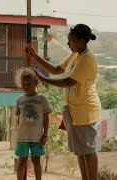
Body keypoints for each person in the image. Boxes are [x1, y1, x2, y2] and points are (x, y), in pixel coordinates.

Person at [25, 23, 101, 180]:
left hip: (84, 110)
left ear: (81, 41)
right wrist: (35, 56)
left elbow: (68, 81)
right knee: (81, 150)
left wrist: (42, 78)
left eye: (71, 41)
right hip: (74, 110)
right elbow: (56, 69)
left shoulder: (86, 58)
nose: (68, 44)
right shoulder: (76, 55)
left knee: (88, 150)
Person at [14, 68, 52, 180]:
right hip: (22, 138)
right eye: (23, 84)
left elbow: (46, 118)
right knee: (21, 162)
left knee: (36, 161)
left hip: (37, 138)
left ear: (36, 83)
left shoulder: (42, 99)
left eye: (29, 84)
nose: (26, 86)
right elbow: (18, 118)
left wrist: (45, 135)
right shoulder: (19, 99)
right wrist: (20, 132)